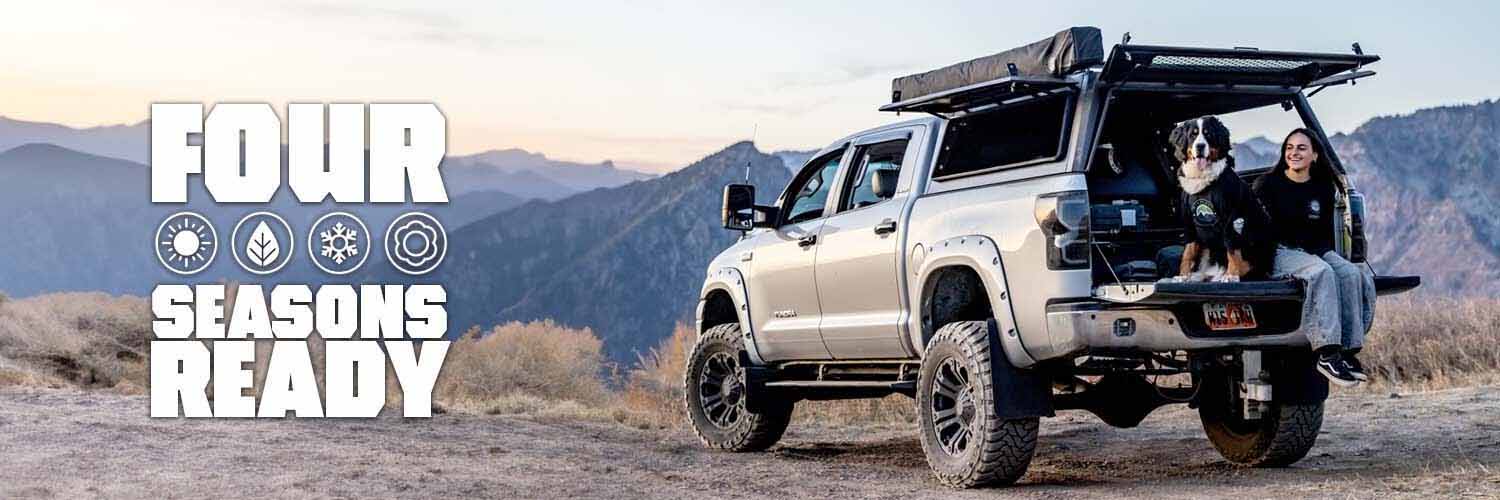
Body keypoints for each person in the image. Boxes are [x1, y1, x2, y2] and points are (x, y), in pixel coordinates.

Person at [1252, 129, 1377, 387]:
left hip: (1314, 251)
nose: (1293, 153)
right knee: (1321, 273)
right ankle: (1326, 352)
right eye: (1289, 147)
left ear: (1315, 155)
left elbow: (1323, 234)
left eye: (1301, 148)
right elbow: (1257, 234)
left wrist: (1330, 256)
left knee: (1352, 273)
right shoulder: (1267, 185)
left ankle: (1347, 352)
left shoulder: (1323, 188)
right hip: (1279, 252)